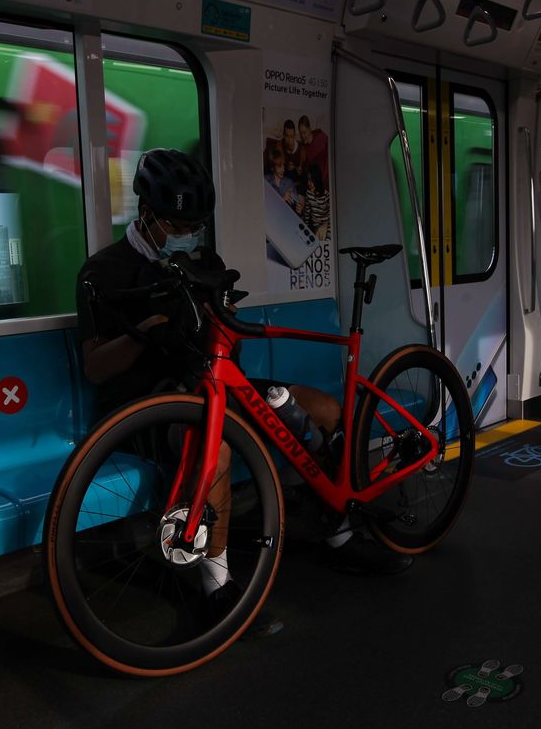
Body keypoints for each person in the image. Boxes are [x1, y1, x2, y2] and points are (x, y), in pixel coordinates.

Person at [76, 149, 410, 614]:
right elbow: (94, 367)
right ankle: (218, 586)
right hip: (145, 404)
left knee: (328, 412)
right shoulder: (101, 273)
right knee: (218, 450)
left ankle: (337, 534)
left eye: (194, 226)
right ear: (147, 213)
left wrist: (222, 321)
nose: (186, 236)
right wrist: (147, 332)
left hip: (213, 384)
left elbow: (231, 347)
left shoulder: (202, 260)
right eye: (176, 226)